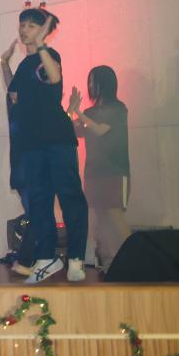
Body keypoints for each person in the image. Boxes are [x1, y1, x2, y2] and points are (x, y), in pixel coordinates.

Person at [7, 8, 89, 284]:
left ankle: (76, 258)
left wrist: (41, 45)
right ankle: (45, 257)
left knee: (69, 197)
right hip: (32, 143)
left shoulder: (50, 56)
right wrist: (4, 63)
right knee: (39, 201)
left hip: (57, 139)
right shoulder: (23, 65)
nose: (24, 30)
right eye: (22, 25)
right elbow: (13, 94)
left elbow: (54, 78)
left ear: (44, 32)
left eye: (31, 26)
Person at [68, 65, 131, 271]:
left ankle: (136, 259)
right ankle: (110, 264)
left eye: (93, 81)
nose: (90, 85)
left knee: (114, 216)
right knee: (99, 222)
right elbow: (70, 130)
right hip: (93, 174)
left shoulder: (118, 109)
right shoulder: (90, 112)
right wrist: (70, 112)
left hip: (114, 173)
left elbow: (100, 130)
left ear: (104, 83)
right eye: (89, 81)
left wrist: (78, 113)